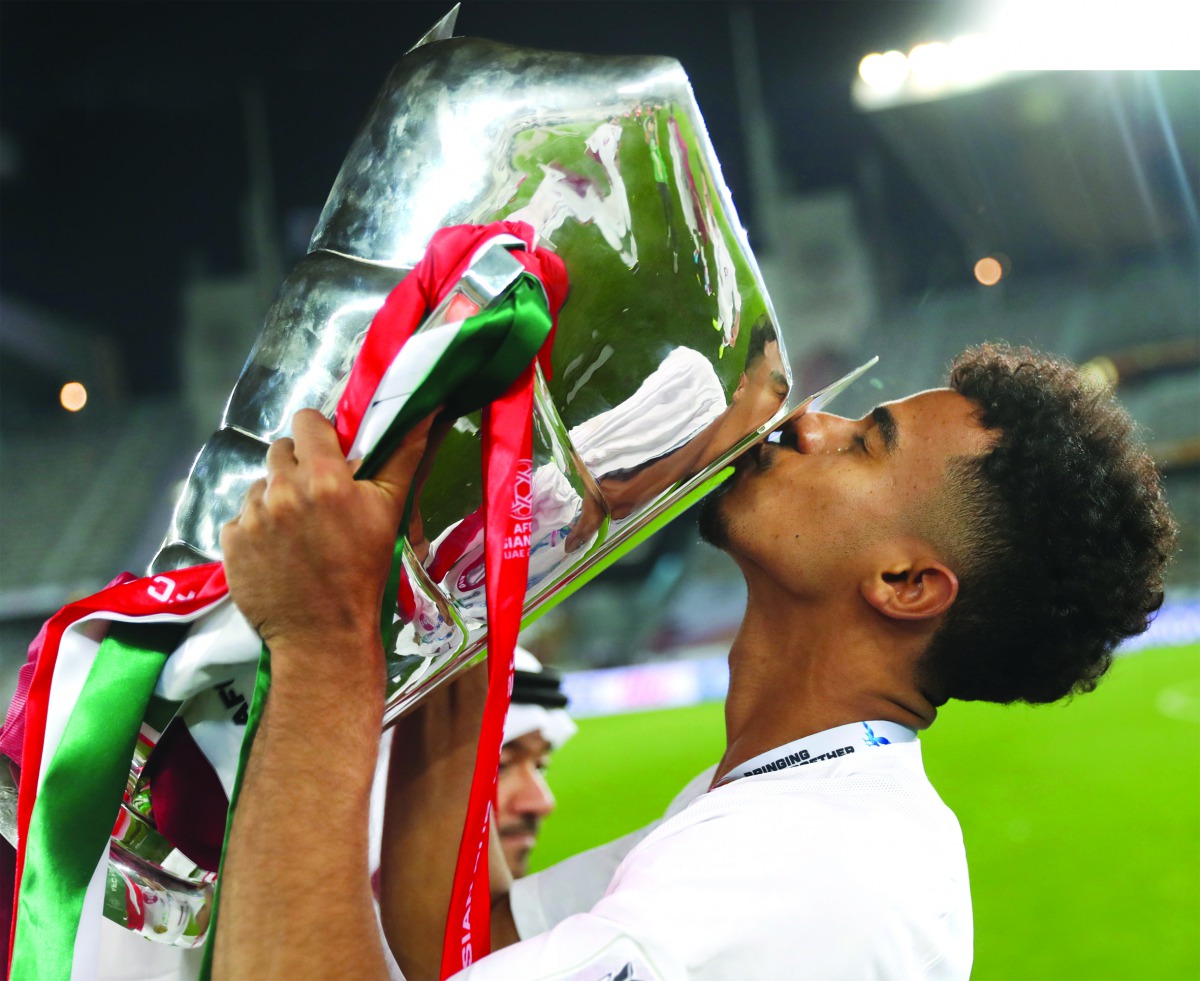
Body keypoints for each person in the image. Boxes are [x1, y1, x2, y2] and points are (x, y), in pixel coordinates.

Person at [213, 343, 1176, 979]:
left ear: (905, 581)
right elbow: (459, 947)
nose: (809, 423)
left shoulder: (807, 873)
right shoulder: (792, 806)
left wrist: (321, 643)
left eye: (864, 443)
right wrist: (473, 559)